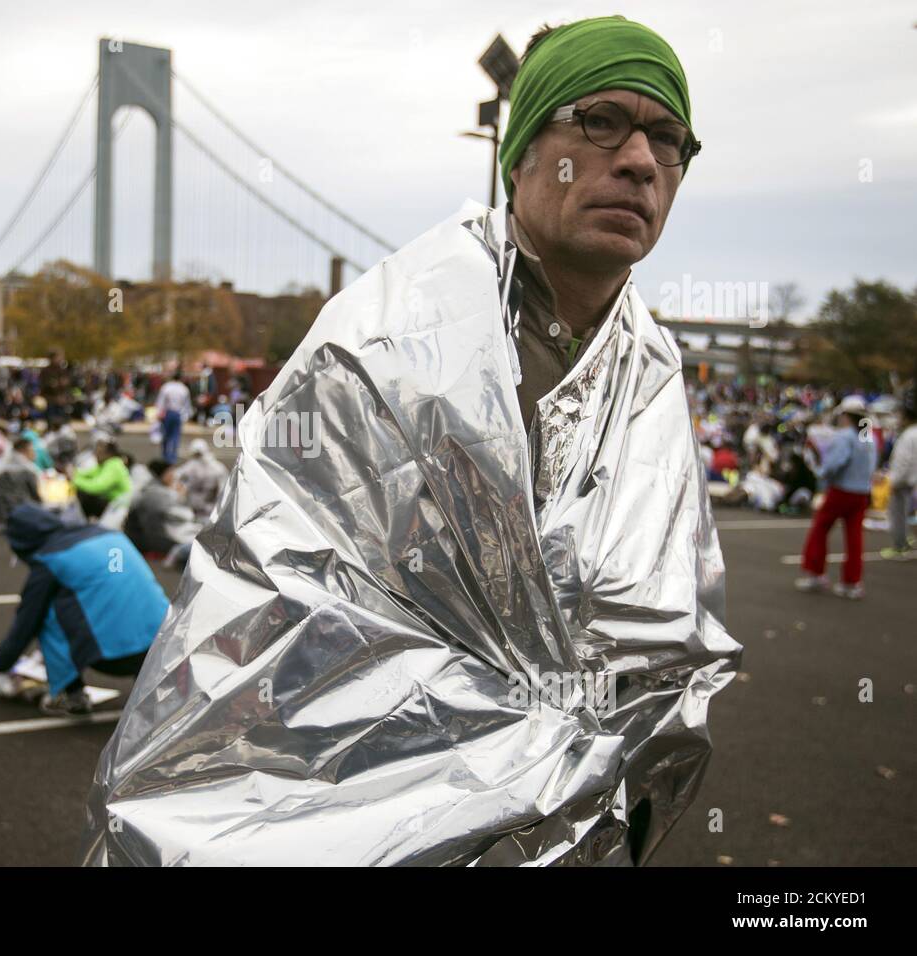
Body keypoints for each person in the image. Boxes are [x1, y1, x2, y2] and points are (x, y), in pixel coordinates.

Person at [83, 17, 741, 866]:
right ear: (524, 151)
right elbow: (277, 609)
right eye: (602, 121)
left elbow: (662, 634)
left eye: (668, 139)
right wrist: (504, 752)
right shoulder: (382, 341)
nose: (641, 160)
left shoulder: (650, 368)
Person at [0, 503, 169, 716]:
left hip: (117, 659)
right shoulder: (106, 534)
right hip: (165, 641)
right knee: (110, 597)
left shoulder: (49, 561)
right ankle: (149, 685)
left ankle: (72, 695)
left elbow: (26, 625)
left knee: (49, 614)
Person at [797, 396, 879, 599]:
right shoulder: (869, 437)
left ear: (845, 415)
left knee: (820, 529)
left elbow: (834, 464)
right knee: (855, 538)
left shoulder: (845, 436)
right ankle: (852, 582)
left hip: (841, 490)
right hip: (861, 492)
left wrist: (822, 474)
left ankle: (815, 573)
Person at [124, 458, 202, 565]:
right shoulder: (154, 493)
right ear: (162, 474)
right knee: (199, 542)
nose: (174, 476)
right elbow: (184, 516)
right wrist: (181, 496)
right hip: (152, 538)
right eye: (170, 472)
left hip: (148, 535)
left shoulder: (153, 488)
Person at [880, 394, 917, 560]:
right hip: (910, 480)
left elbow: (903, 461)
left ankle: (899, 546)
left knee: (897, 514)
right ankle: (903, 543)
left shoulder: (909, 435)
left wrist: (895, 481)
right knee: (904, 513)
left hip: (902, 481)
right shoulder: (912, 433)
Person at [0, 437, 42, 528]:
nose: (34, 453)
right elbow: (37, 497)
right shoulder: (28, 470)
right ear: (23, 451)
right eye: (32, 450)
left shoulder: (2, 465)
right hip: (17, 514)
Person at [71, 439, 131, 519]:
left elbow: (96, 487)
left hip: (118, 506)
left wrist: (73, 480)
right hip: (110, 502)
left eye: (99, 453)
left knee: (85, 498)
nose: (96, 455)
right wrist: (72, 474)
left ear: (108, 454)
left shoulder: (114, 466)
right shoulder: (105, 464)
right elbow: (87, 474)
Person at [173, 438, 228, 518]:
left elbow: (176, 476)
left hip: (203, 510)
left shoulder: (192, 466)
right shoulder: (218, 467)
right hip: (205, 510)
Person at [154, 370, 192, 464]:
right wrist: (185, 416)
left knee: (165, 435)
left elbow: (160, 402)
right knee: (175, 436)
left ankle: (165, 455)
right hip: (177, 413)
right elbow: (186, 405)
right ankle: (173, 457)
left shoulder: (166, 387)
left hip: (167, 413)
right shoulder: (184, 389)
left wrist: (159, 413)